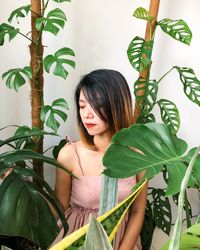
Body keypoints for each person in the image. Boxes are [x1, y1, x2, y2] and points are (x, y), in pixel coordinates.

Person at [54, 69, 147, 250]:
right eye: (82, 106)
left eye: (95, 105)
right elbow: (59, 205)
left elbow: (137, 211)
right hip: (77, 241)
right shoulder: (69, 154)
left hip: (122, 242)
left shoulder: (139, 157)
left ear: (117, 106)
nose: (86, 114)